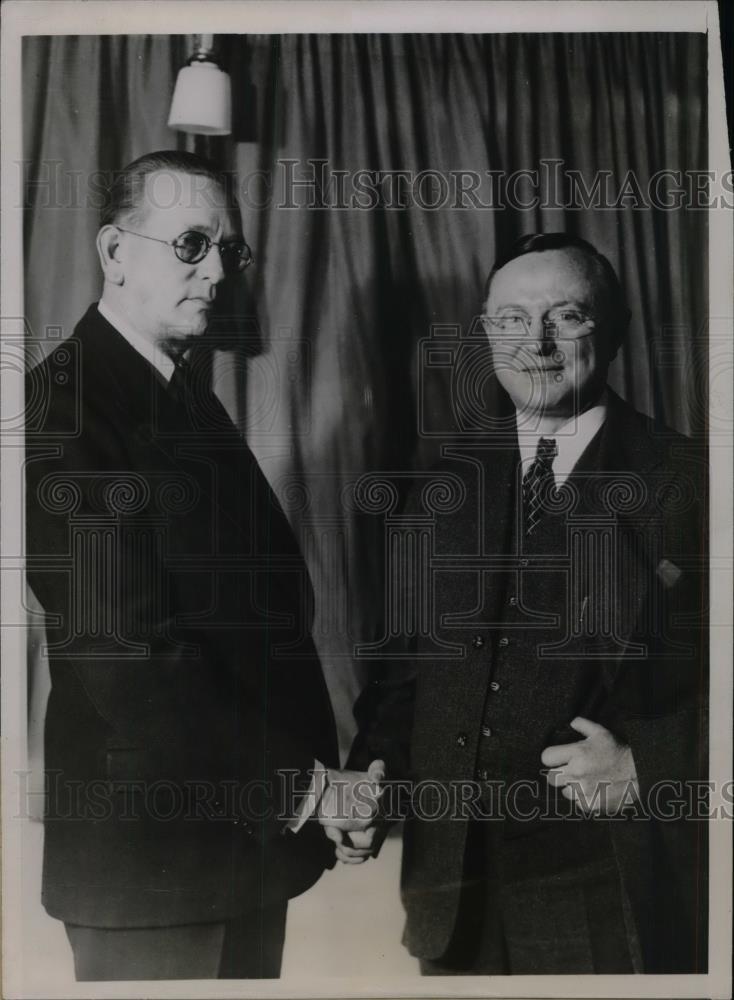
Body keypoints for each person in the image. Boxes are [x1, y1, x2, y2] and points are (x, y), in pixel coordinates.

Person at [25, 150, 381, 981]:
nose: (217, 270)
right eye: (192, 244)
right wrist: (307, 791)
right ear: (116, 252)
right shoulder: (62, 409)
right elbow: (130, 660)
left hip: (239, 856)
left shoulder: (177, 391)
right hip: (155, 874)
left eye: (231, 250)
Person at [340, 233, 708, 974]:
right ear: (485, 335)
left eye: (564, 316)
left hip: (613, 888)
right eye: (510, 320)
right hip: (453, 899)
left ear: (615, 330)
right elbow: (403, 677)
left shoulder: (694, 484)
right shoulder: (439, 488)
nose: (534, 343)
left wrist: (651, 767)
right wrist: (370, 779)